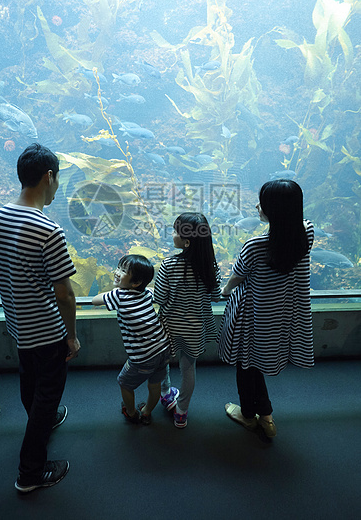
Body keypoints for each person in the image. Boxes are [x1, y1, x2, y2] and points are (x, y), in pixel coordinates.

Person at [0, 143, 81, 493]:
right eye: (57, 180)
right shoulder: (47, 230)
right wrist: (70, 336)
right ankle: (30, 473)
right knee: (48, 393)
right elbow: (65, 294)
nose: (57, 186)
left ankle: (42, 419)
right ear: (49, 176)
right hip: (46, 330)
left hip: (18, 323)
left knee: (30, 382)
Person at [217, 179, 314, 438]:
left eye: (263, 202)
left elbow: (236, 278)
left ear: (275, 210)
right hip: (281, 314)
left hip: (253, 316)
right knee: (257, 363)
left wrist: (225, 291)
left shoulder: (256, 246)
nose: (257, 205)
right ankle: (267, 416)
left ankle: (248, 416)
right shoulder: (307, 231)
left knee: (245, 364)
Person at [153, 213, 221, 428]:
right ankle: (181, 412)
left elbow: (160, 298)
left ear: (187, 241)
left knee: (162, 361)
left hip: (168, 326)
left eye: (175, 231)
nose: (172, 235)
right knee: (188, 369)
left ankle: (165, 394)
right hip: (195, 328)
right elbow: (215, 296)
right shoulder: (210, 266)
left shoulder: (169, 265)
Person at [92, 254, 170, 425]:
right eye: (119, 267)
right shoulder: (147, 293)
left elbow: (95, 300)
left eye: (123, 271)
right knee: (155, 384)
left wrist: (113, 291)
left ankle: (132, 413)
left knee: (125, 383)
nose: (117, 272)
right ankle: (147, 412)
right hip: (163, 349)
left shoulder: (119, 295)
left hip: (143, 357)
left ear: (135, 283)